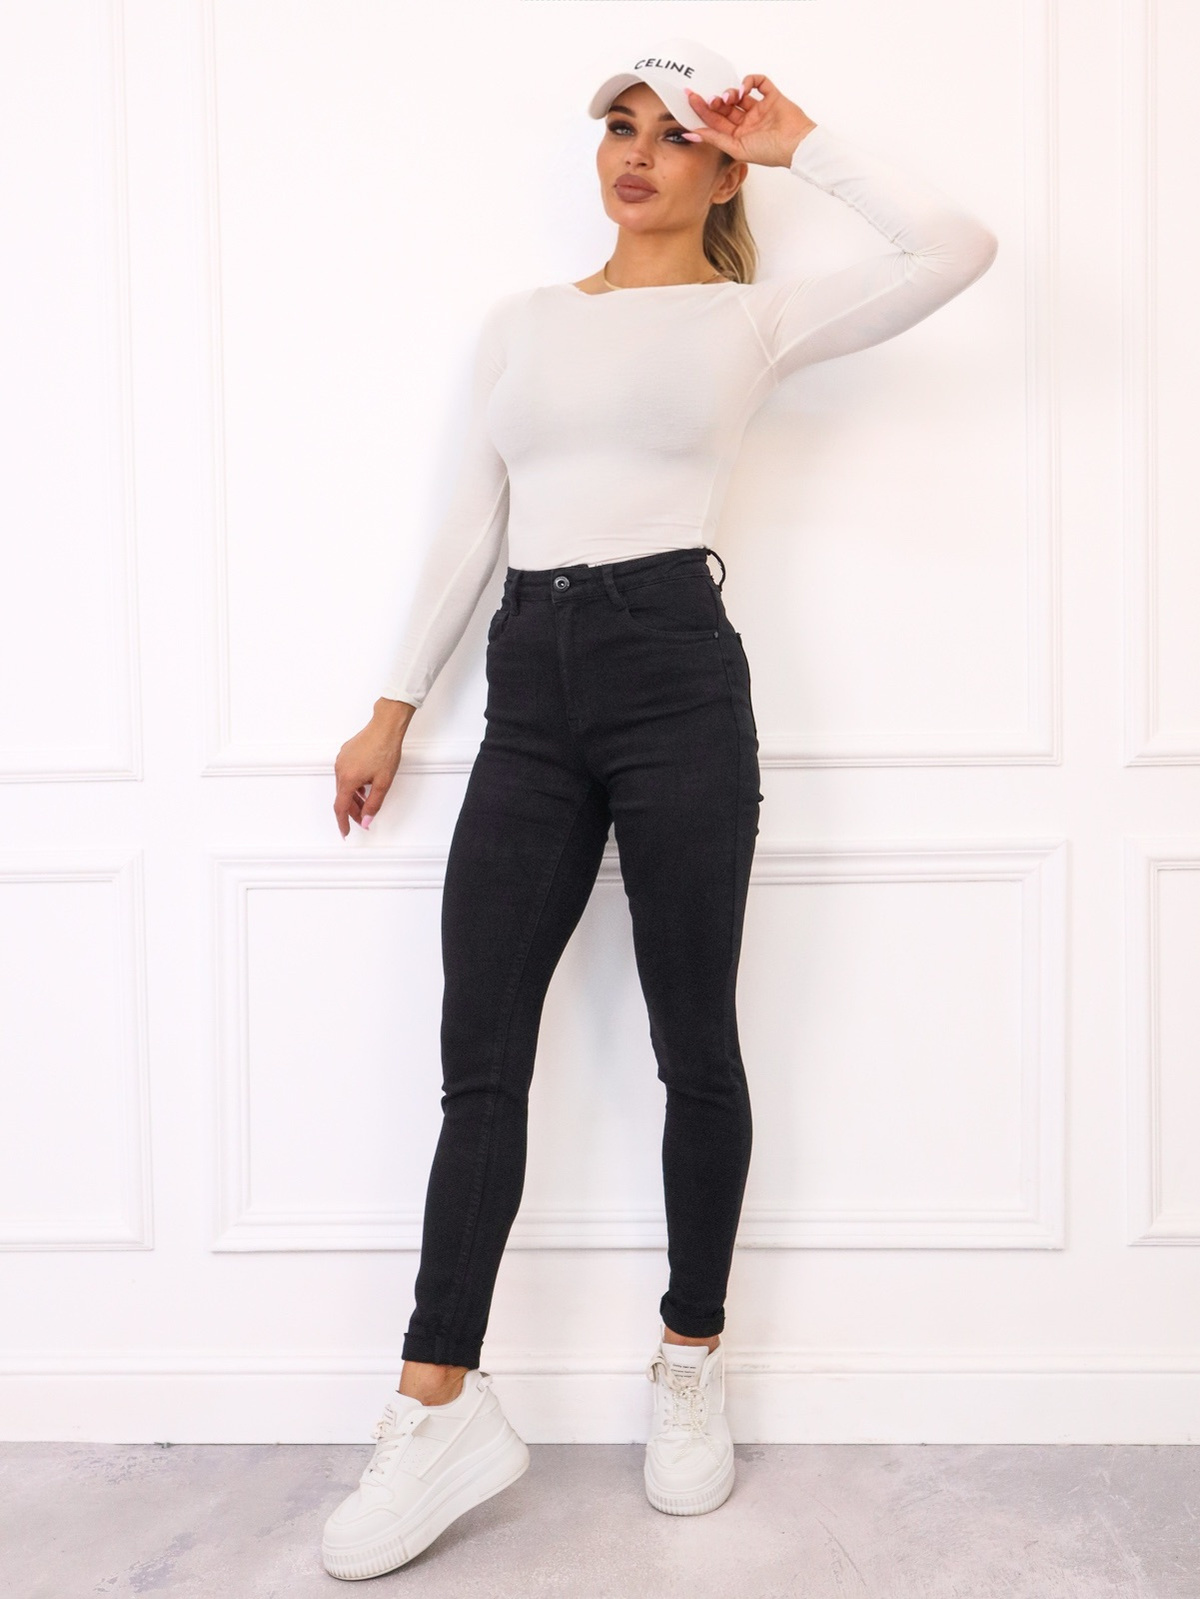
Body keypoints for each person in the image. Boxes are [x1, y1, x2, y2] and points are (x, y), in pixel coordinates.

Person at [322, 36, 998, 1579]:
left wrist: (803, 140)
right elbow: (470, 520)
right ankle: (437, 1403)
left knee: (696, 1040)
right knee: (479, 1058)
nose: (636, 151)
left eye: (674, 133)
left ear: (721, 168)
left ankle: (691, 1358)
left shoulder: (750, 318)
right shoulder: (522, 325)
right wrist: (393, 706)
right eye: (619, 126)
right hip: (528, 696)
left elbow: (956, 249)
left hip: (676, 678)